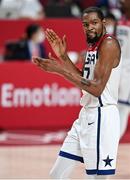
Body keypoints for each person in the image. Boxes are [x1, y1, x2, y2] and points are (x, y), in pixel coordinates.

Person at [32, 7, 121, 179]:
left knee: (97, 178)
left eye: (94, 23)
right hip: (85, 117)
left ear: (103, 23)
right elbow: (84, 79)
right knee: (56, 175)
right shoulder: (92, 46)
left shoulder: (108, 44)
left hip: (102, 118)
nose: (90, 27)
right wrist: (63, 57)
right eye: (85, 24)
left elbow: (97, 88)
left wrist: (60, 70)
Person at [116, 0, 130, 138]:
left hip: (128, 70)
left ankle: (114, 142)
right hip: (119, 66)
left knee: (123, 108)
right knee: (115, 107)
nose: (121, 1)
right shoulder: (121, 19)